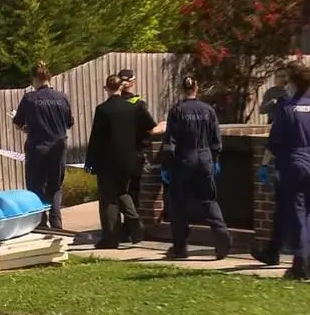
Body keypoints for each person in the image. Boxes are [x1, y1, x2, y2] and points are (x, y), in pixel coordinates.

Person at [252, 63, 310, 269]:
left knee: (298, 213)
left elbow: (275, 141)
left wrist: (264, 165)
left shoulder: (287, 106)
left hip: (294, 163)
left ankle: (303, 260)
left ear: (294, 82)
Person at [85, 74, 166, 249]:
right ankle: (134, 220)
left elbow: (96, 138)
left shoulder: (102, 110)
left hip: (107, 161)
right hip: (129, 159)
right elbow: (148, 129)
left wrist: (90, 160)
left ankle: (110, 238)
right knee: (122, 192)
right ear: (121, 87)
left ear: (106, 88)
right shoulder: (133, 108)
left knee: (108, 199)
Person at [160, 76, 231, 260]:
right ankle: (221, 233)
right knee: (208, 199)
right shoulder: (208, 110)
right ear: (196, 88)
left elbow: (170, 141)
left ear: (182, 89)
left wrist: (166, 165)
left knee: (178, 203)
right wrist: (215, 159)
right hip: (205, 158)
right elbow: (216, 139)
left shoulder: (177, 110)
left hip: (184, 159)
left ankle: (180, 248)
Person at [12, 61, 74, 230]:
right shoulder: (62, 98)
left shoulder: (29, 99)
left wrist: (26, 128)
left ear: (34, 79)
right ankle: (57, 223)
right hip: (58, 148)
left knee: (35, 185)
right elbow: (69, 123)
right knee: (55, 186)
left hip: (37, 147)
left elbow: (18, 122)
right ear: (50, 78)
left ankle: (40, 222)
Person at [117, 68, 152, 242]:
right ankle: (133, 227)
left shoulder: (112, 103)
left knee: (121, 192)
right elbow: (149, 129)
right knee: (134, 192)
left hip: (117, 154)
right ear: (132, 82)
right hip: (136, 153)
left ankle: (124, 228)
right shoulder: (138, 104)